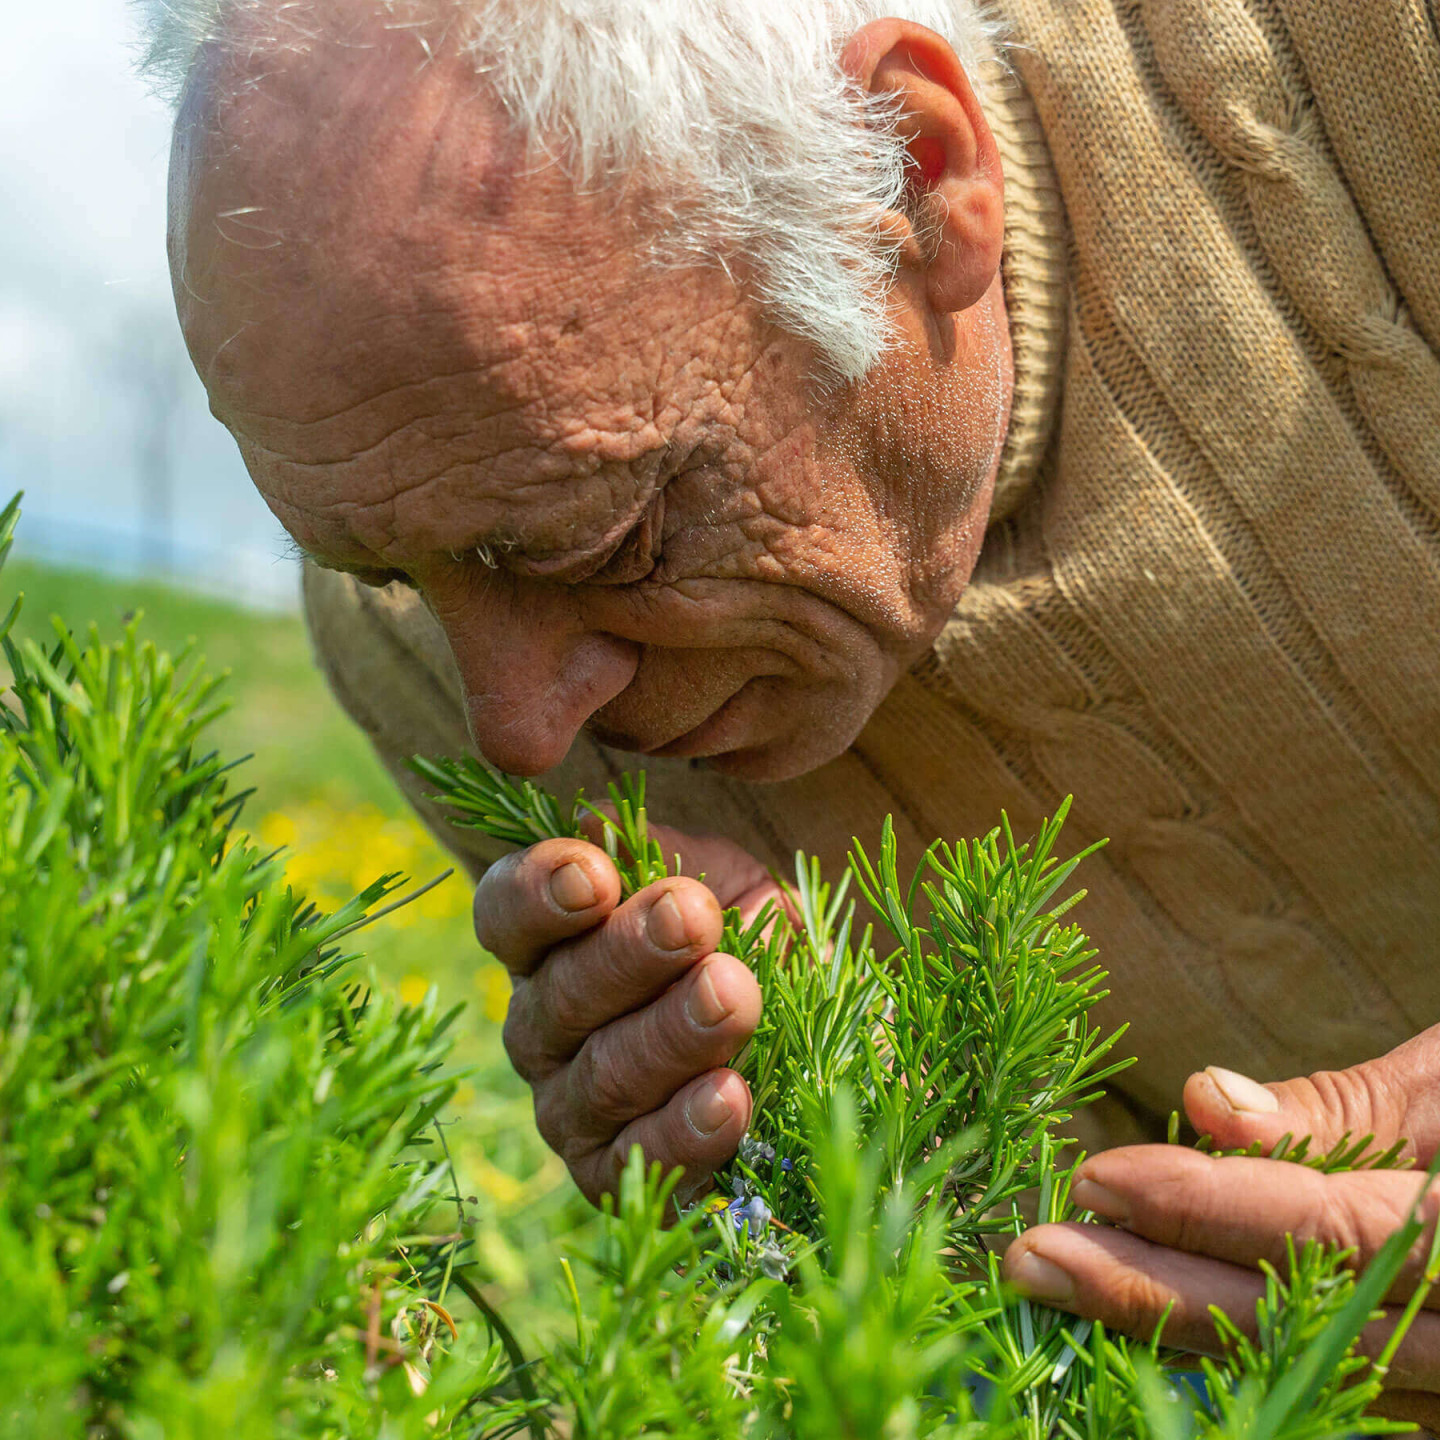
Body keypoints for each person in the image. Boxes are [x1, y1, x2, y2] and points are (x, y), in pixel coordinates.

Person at [144, 0, 1440, 1419]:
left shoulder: (1370, 70)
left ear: (914, 178)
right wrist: (828, 1161)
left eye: (605, 543)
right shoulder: (414, 654)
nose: (517, 727)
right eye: (388, 572)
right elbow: (1060, 1348)